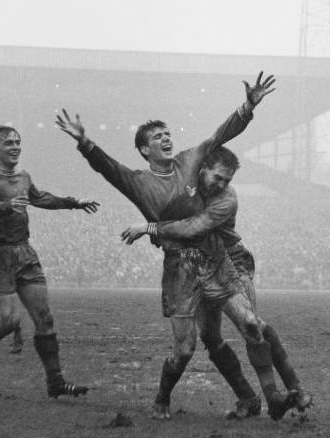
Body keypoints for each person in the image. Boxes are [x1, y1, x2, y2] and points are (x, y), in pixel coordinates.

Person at [55, 72, 298, 420]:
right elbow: (106, 168)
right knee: (185, 349)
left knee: (250, 324)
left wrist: (248, 106)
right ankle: (162, 398)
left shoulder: (190, 160)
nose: (165, 138)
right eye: (157, 136)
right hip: (180, 268)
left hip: (214, 257)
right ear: (144, 149)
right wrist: (85, 142)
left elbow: (220, 134)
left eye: (167, 133)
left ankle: (273, 398)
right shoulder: (138, 182)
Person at [120, 146, 312, 419]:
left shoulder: (226, 199)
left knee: (251, 324)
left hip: (230, 259)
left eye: (227, 180)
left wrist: (150, 228)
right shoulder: (183, 187)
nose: (222, 185)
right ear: (202, 169)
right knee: (209, 336)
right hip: (193, 264)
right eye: (218, 178)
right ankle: (249, 399)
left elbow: (191, 227)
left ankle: (284, 393)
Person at [0, 125, 100, 398]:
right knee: (9, 320)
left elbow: (39, 199)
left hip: (24, 252)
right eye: (8, 143)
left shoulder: (23, 177)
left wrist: (73, 202)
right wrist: (4, 206)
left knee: (45, 318)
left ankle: (56, 382)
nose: (15, 146)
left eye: (18, 141)